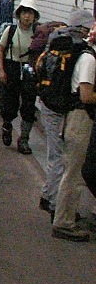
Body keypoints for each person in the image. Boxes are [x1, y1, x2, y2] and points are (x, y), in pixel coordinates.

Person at [37, 7, 93, 222]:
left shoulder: (57, 38)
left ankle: (48, 195)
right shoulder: (78, 47)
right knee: (59, 158)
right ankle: (54, 203)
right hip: (59, 108)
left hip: (49, 103)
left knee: (55, 155)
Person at [51, 18, 96, 242]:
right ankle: (63, 222)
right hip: (79, 118)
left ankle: (66, 217)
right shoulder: (89, 59)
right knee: (74, 173)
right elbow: (86, 95)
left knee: (75, 171)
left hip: (79, 117)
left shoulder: (86, 56)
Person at [0, 0, 40, 154]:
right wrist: (1, 70)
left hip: (30, 71)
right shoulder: (11, 30)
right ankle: (7, 125)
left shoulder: (38, 33)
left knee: (28, 106)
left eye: (30, 13)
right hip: (12, 67)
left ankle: (24, 139)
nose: (27, 17)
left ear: (35, 16)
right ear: (19, 15)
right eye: (24, 13)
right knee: (9, 105)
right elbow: (0, 50)